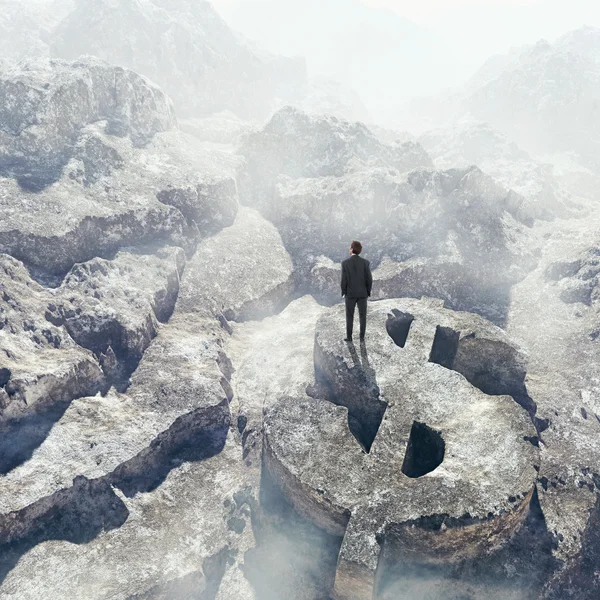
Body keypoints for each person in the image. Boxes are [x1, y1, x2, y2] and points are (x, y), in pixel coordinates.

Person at [341, 240, 372, 343]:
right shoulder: (365, 263)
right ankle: (362, 337)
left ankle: (349, 337)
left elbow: (344, 280)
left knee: (349, 316)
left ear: (351, 249)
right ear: (360, 250)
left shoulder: (345, 263)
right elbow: (369, 279)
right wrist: (368, 291)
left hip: (350, 295)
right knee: (362, 316)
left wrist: (343, 291)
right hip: (363, 294)